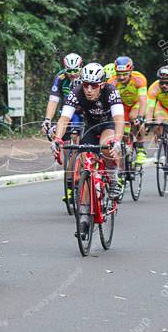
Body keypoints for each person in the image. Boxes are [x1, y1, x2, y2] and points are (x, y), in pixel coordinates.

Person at [51, 62, 124, 235]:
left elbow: (120, 118)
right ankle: (84, 214)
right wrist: (57, 139)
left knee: (106, 147)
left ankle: (113, 179)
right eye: (86, 85)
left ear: (102, 84)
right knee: (85, 165)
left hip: (108, 124)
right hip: (90, 126)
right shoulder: (76, 93)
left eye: (93, 86)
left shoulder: (111, 91)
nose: (89, 90)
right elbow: (63, 119)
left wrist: (118, 141)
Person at [111, 56, 148, 165]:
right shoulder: (112, 82)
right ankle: (125, 165)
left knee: (134, 117)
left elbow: (143, 100)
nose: (121, 77)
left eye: (125, 74)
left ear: (131, 71)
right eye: (118, 74)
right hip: (122, 106)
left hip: (136, 103)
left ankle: (140, 147)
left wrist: (140, 116)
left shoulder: (139, 79)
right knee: (123, 133)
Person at [42, 53, 83, 138]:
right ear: (65, 69)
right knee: (57, 135)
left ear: (81, 68)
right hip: (66, 109)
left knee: (75, 135)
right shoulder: (60, 77)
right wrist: (48, 119)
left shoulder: (86, 76)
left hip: (83, 110)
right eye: (69, 71)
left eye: (75, 70)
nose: (72, 74)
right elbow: (53, 100)